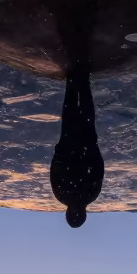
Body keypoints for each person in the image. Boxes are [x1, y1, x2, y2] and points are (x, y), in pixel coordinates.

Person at [49, 68, 104, 228]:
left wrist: (61, 153)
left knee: (76, 113)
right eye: (76, 214)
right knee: (76, 112)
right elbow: (98, 169)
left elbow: (99, 169)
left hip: (75, 146)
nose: (75, 211)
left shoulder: (84, 195)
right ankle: (77, 79)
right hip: (79, 146)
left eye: (73, 214)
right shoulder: (71, 195)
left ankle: (75, 79)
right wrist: (92, 149)